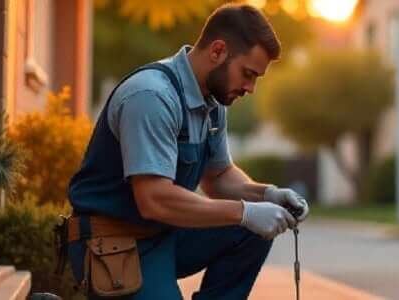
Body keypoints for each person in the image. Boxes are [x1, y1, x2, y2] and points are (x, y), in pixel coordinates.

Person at [65, 4, 309, 299]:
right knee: (245, 220)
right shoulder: (152, 96)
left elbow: (218, 177)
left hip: (163, 232)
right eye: (247, 74)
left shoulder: (213, 103)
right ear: (217, 51)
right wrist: (244, 212)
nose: (250, 88)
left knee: (252, 230)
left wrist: (267, 195)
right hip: (113, 242)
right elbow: (154, 199)